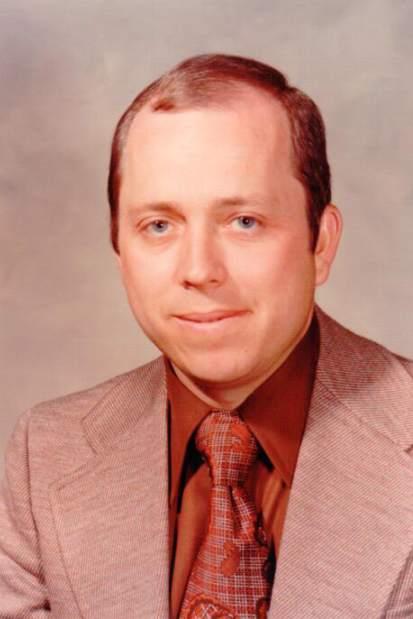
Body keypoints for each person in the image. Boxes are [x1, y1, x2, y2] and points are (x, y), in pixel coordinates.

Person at [0, 54, 412, 619]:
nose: (199, 270)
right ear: (120, 251)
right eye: (159, 226)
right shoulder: (46, 454)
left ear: (320, 243)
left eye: (244, 221)